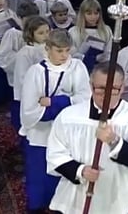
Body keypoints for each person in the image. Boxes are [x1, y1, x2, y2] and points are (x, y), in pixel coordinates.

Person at [46, 62, 128, 214]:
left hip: (116, 195)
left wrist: (114, 141)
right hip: (79, 192)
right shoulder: (69, 116)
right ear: (91, 86)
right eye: (101, 89)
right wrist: (81, 170)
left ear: (123, 87)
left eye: (114, 89)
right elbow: (55, 154)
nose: (107, 95)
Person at [20, 30, 91, 213]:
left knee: (64, 173)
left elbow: (85, 98)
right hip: (41, 133)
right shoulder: (35, 72)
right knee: (39, 175)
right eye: (59, 51)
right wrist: (67, 101)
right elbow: (29, 110)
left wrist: (54, 101)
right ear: (48, 48)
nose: (64, 56)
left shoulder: (77, 67)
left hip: (69, 133)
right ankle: (37, 206)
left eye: (67, 51)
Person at [10, 15, 51, 130]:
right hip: (32, 93)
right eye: (41, 33)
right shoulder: (26, 53)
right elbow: (23, 78)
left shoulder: (49, 48)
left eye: (47, 31)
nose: (46, 36)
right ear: (31, 34)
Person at [69, 0, 112, 72]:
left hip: (101, 69)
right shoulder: (73, 31)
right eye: (89, 14)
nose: (93, 17)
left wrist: (98, 58)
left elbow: (109, 52)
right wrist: (87, 58)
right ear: (82, 14)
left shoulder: (106, 30)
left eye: (96, 13)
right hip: (79, 68)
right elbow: (71, 53)